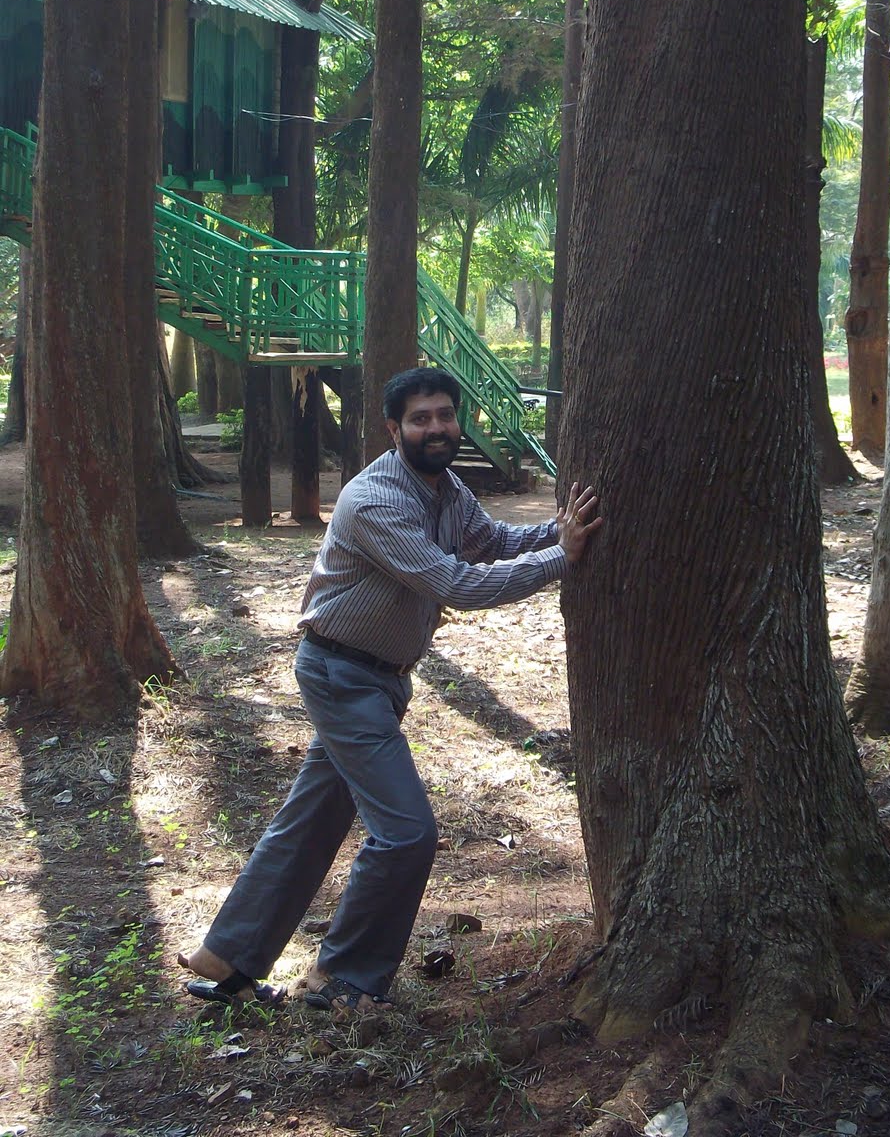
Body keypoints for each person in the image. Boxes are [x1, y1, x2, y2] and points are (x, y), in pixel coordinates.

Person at [179, 365, 601, 1013]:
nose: (435, 428)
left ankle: (228, 957)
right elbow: (457, 582)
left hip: (376, 680)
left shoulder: (447, 488)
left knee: (311, 820)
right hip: (341, 675)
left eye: (444, 415)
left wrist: (558, 529)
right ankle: (342, 980)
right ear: (393, 429)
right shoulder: (375, 498)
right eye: (420, 418)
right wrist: (562, 559)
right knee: (407, 833)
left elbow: (490, 542)